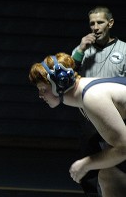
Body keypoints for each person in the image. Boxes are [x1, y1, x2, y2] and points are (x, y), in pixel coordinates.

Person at [28, 52, 126, 197]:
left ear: (59, 83)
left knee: (108, 174)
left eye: (43, 89)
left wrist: (85, 164)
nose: (40, 96)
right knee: (108, 175)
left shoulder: (92, 98)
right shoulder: (86, 93)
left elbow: (123, 148)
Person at [71, 6, 126, 196]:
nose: (95, 27)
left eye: (100, 22)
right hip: (88, 118)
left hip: (116, 117)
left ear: (110, 23)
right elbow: (66, 74)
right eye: (92, 23)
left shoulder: (124, 49)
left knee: (117, 161)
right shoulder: (84, 51)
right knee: (89, 165)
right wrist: (79, 49)